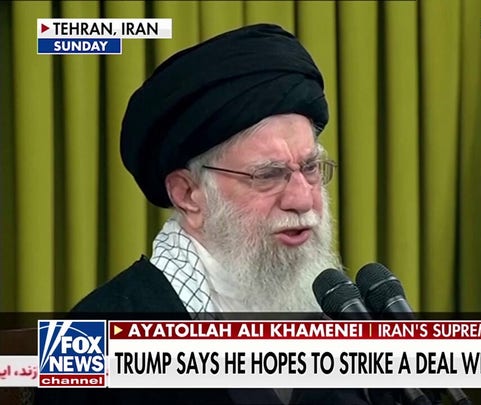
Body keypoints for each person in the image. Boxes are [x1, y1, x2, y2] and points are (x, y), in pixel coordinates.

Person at [34, 23, 370, 405]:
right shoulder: (87, 337)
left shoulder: (345, 318)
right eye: (268, 175)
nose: (302, 199)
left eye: (310, 168)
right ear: (188, 194)